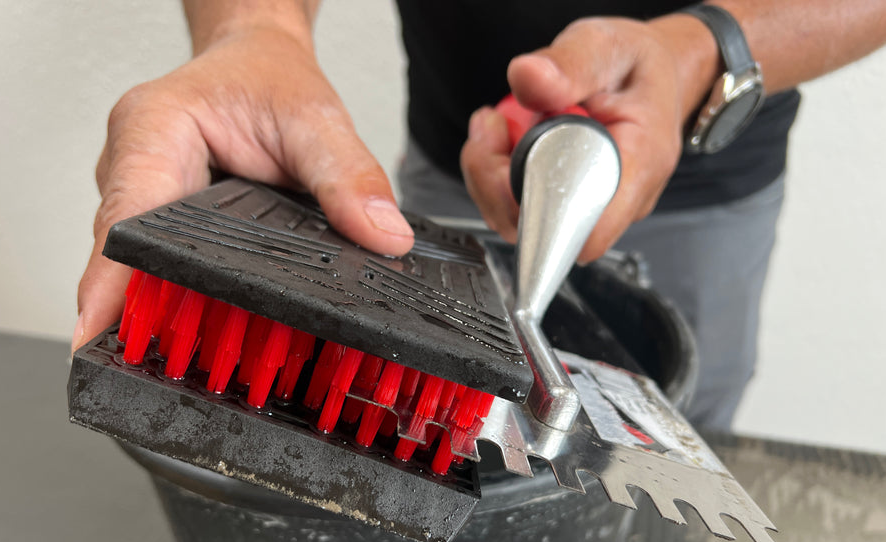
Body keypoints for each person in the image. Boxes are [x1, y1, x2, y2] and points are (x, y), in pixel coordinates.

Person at [73, 0, 886, 429]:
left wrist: (701, 50)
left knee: (682, 415)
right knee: (408, 404)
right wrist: (254, 28)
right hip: (439, 175)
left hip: (709, 171)